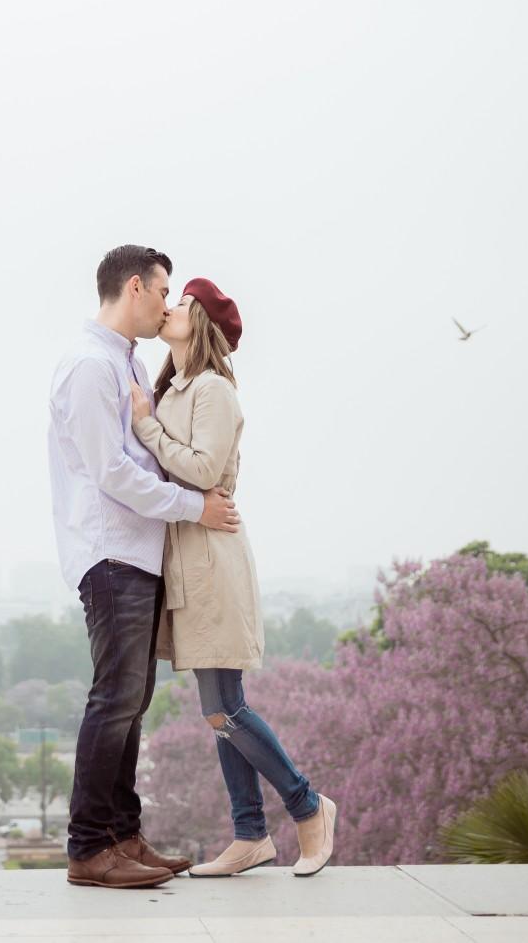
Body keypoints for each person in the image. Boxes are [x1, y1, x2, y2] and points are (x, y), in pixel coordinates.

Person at [129, 278, 337, 877]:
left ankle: (307, 805)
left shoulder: (214, 391)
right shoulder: (176, 387)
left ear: (201, 323)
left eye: (181, 304)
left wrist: (145, 428)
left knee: (224, 710)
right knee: (222, 710)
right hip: (189, 556)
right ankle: (249, 834)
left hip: (212, 559)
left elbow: (201, 469)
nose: (168, 308)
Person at [48, 246, 241, 889]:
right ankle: (88, 848)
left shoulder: (123, 361)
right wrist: (194, 507)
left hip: (137, 549)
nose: (167, 304)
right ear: (136, 287)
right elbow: (112, 473)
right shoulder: (88, 366)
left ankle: (121, 837)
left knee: (131, 701)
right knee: (115, 699)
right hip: (110, 551)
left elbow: (145, 458)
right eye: (163, 291)